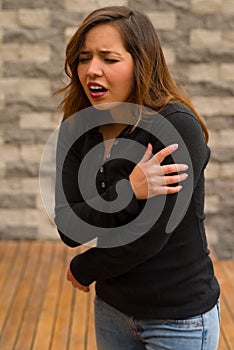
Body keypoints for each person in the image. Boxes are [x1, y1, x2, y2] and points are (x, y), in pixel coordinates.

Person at [54, 6, 220, 350]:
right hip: (112, 308)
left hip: (179, 317)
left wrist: (85, 267)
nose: (92, 70)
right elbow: (69, 228)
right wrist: (130, 190)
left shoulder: (177, 127)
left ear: (140, 64)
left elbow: (150, 235)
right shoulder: (76, 128)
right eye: (84, 58)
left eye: (109, 59)